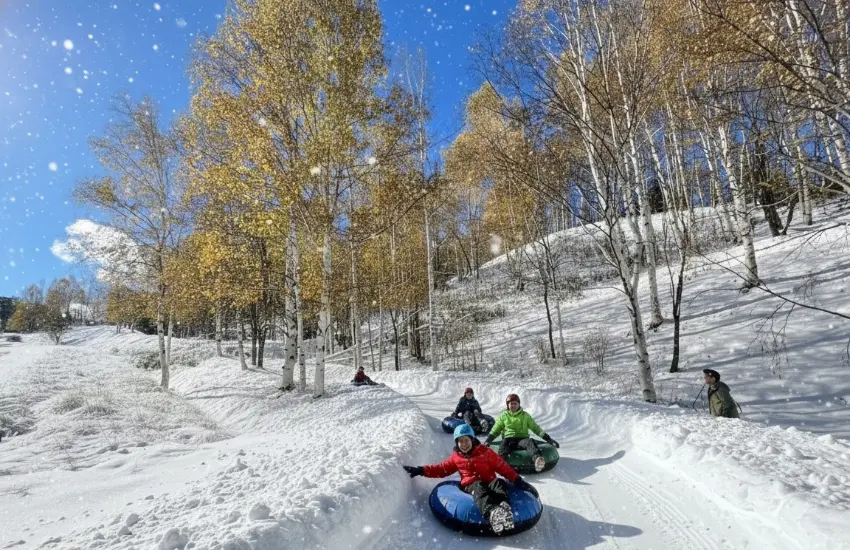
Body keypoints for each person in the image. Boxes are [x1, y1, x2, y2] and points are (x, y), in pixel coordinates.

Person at [402, 424, 538, 534]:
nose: (464, 444)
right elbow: (441, 469)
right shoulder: (457, 457)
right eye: (460, 441)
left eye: (466, 440)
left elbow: (503, 467)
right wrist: (421, 470)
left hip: (490, 481)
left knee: (499, 484)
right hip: (471, 484)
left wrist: (518, 480)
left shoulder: (486, 452)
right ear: (457, 443)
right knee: (479, 489)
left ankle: (504, 508)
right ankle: (491, 512)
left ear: (472, 440)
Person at [485, 393, 559, 473]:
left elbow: (536, 428)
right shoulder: (504, 416)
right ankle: (501, 464)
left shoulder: (525, 416)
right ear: (507, 405)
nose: (513, 405)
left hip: (522, 439)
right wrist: (488, 440)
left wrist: (548, 438)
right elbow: (496, 429)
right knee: (504, 445)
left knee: (530, 442)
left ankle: (538, 460)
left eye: (515, 403)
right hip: (509, 438)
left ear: (518, 404)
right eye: (511, 404)